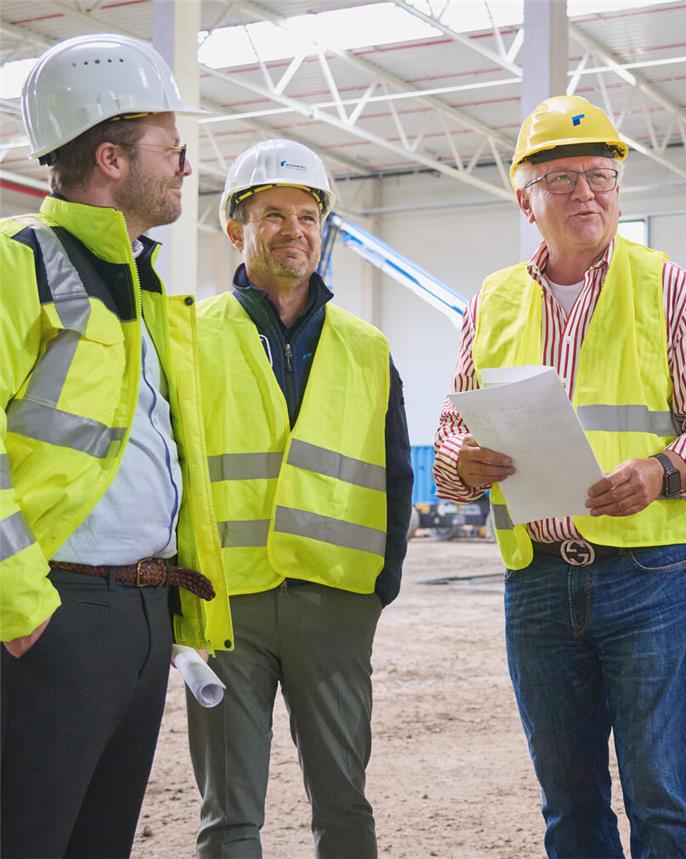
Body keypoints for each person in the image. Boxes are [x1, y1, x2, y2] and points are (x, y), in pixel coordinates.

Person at [434, 94, 686, 858]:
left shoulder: (669, 288)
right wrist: (460, 464)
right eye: (563, 179)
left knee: (660, 795)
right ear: (525, 198)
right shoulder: (493, 299)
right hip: (538, 580)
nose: (587, 193)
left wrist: (664, 469)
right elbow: (454, 427)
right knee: (569, 802)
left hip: (646, 576)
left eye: (601, 175)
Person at [0, 33, 231, 857]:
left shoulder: (146, 287)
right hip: (55, 613)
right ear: (110, 157)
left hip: (139, 613)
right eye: (173, 149)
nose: (187, 167)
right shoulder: (18, 262)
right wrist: (23, 608)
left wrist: (172, 613)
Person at [187, 138, 412, 859]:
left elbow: (396, 470)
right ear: (236, 229)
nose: (294, 230)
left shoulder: (367, 346)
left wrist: (380, 586)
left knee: (344, 802)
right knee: (229, 813)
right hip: (229, 606)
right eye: (273, 214)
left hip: (336, 601)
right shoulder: (189, 336)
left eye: (309, 215)